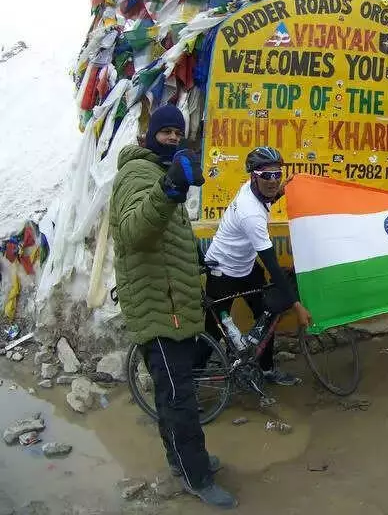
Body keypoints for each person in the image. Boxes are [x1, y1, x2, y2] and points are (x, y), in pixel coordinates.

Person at [109, 104, 237, 508]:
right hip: (157, 308)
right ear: (151, 134)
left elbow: (165, 236)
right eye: (166, 133)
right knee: (179, 398)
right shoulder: (136, 175)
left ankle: (186, 461)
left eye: (178, 134)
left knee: (174, 394)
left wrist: (197, 255)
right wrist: (168, 190)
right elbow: (134, 233)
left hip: (172, 304)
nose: (173, 139)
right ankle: (196, 476)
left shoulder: (160, 173)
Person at [203, 146, 312, 385]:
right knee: (211, 330)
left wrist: (284, 189)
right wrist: (297, 306)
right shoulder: (249, 213)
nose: (273, 181)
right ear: (254, 176)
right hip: (222, 271)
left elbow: (269, 196)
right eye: (267, 176)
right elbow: (272, 264)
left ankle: (266, 369)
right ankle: (191, 382)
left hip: (246, 266)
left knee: (268, 313)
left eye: (277, 175)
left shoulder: (256, 191)